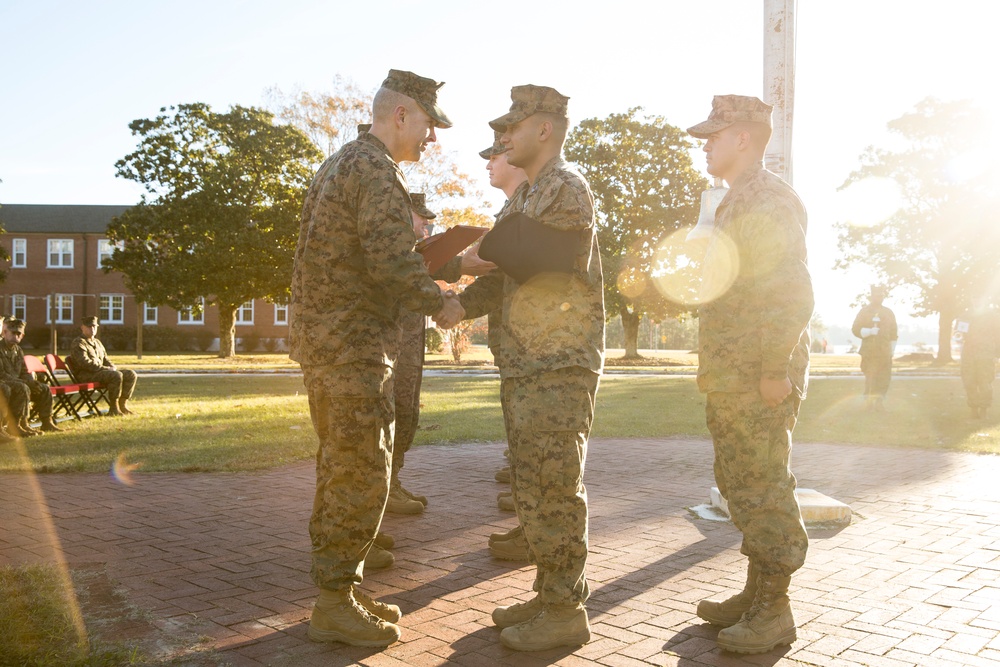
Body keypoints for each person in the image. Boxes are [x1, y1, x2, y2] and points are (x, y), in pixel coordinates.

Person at [289, 68, 462, 648]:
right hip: (354, 350)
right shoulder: (374, 172)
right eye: (430, 126)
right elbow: (392, 263)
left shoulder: (341, 163)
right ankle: (334, 601)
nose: (432, 140)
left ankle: (342, 586)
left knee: (340, 469)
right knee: (361, 474)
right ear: (402, 115)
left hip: (332, 347)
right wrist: (443, 303)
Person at [456, 85, 605, 651]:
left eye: (512, 128)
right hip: (526, 362)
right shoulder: (525, 196)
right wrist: (454, 305)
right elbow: (503, 274)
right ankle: (549, 591)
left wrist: (475, 254)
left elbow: (528, 254)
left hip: (559, 362)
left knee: (555, 484)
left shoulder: (567, 188)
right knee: (532, 483)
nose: (504, 138)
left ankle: (566, 609)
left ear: (544, 129)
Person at [686, 95, 813, 655]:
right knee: (740, 483)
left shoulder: (768, 198)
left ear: (744, 138)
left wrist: (773, 369)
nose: (705, 144)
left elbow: (790, 292)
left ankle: (775, 608)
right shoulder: (735, 200)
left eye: (714, 134)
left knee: (763, 485)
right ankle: (756, 590)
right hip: (732, 371)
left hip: (758, 372)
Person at [477, 133, 532, 562]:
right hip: (512, 348)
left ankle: (535, 533)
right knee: (522, 442)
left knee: (537, 447)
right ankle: (528, 526)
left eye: (494, 154)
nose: (489, 162)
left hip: (534, 350)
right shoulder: (512, 207)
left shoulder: (533, 201)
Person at [0, 318, 62, 434]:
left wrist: (31, 381)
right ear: (5, 333)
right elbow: (2, 374)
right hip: (4, 382)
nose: (16, 336)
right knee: (22, 387)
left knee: (43, 388)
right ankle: (16, 425)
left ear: (22, 336)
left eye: (19, 334)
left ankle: (46, 422)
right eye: (13, 333)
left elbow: (24, 371)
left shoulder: (18, 350)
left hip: (17, 383)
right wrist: (25, 383)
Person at [68, 316, 138, 416]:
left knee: (130, 374)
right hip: (86, 375)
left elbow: (105, 359)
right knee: (115, 375)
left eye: (94, 326)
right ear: (82, 328)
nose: (92, 329)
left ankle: (122, 405)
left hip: (100, 373)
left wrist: (112, 366)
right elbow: (85, 363)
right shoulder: (79, 343)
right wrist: (107, 369)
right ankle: (114, 408)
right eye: (89, 327)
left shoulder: (97, 342)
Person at [851, 285, 898, 410]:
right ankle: (868, 403)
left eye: (881, 295)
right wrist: (869, 331)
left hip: (884, 351)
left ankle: (879, 402)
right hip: (869, 351)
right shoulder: (864, 311)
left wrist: (891, 350)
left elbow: (894, 333)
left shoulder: (888, 312)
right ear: (871, 296)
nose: (879, 298)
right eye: (877, 295)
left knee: (884, 378)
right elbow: (855, 329)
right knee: (871, 377)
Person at [957, 299, 1000, 419]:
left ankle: (984, 409)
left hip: (986, 352)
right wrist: (959, 333)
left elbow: (998, 334)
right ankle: (973, 409)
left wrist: (997, 353)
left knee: (985, 382)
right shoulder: (965, 315)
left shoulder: (992, 316)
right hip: (969, 352)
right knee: (969, 382)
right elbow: (959, 333)